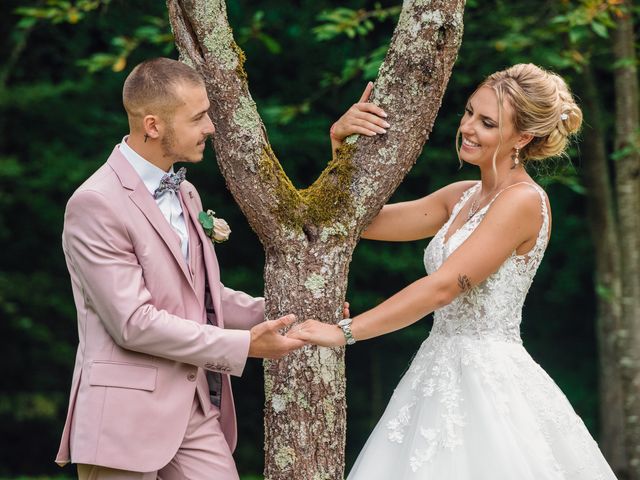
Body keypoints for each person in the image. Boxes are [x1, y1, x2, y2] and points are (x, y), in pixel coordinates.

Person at [289, 64, 618, 479]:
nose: (467, 128)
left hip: (488, 381)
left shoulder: (522, 201)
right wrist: (341, 147)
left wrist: (344, 331)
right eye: (468, 113)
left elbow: (443, 287)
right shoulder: (460, 196)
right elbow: (358, 223)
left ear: (522, 137)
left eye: (487, 123)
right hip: (436, 367)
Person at [54, 57, 310, 480]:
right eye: (198, 117)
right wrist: (243, 345)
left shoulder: (186, 192)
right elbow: (133, 323)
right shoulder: (95, 203)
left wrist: (295, 311)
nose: (210, 127)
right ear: (152, 126)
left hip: (193, 408)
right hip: (124, 415)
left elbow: (204, 296)